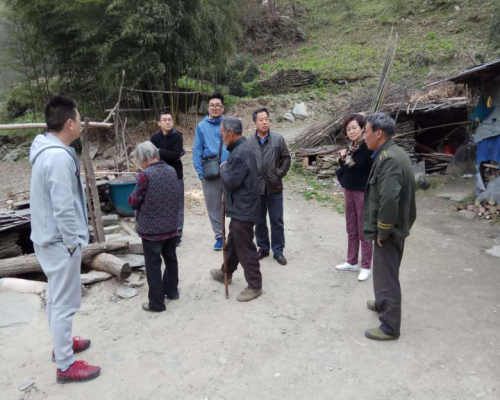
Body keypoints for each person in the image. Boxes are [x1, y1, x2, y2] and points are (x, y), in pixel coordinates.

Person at [29, 96, 100, 383]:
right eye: (79, 118)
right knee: (64, 302)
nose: (81, 123)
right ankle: (66, 365)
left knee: (56, 297)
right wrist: (72, 242)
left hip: (49, 237)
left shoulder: (47, 150)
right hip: (59, 241)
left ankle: (62, 346)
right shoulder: (57, 157)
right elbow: (63, 207)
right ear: (70, 123)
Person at [362, 112, 416, 341]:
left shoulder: (389, 159)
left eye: (365, 131)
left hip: (390, 230)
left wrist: (383, 230)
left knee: (387, 275)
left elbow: (389, 200)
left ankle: (390, 327)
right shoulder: (392, 152)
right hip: (395, 226)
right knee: (385, 270)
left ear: (378, 133)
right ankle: (382, 302)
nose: (364, 136)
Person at [209, 117, 263, 302]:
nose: (222, 137)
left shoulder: (240, 152)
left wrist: (223, 169)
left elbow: (231, 182)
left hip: (244, 208)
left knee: (245, 247)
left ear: (231, 133)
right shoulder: (241, 148)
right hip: (242, 206)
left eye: (222, 134)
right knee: (233, 241)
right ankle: (226, 271)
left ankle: (255, 285)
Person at [129, 141, 180, 312]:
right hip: (170, 226)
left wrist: (130, 198)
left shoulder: (145, 175)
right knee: (171, 259)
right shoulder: (171, 170)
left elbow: (134, 201)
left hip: (151, 231)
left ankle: (156, 303)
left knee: (153, 265)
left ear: (144, 159)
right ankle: (172, 291)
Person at [249, 108, 291, 265]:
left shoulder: (278, 139)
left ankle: (278, 251)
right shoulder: (249, 142)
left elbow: (286, 158)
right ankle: (263, 248)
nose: (264, 122)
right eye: (261, 120)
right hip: (257, 189)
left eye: (266, 119)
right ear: (255, 122)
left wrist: (279, 173)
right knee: (259, 221)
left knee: (277, 221)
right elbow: (245, 162)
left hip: (275, 187)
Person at [335, 114, 374, 282]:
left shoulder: (367, 147)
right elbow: (348, 167)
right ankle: (351, 261)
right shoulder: (351, 147)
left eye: (354, 128)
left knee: (363, 229)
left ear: (362, 128)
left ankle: (366, 266)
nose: (351, 131)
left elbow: (368, 169)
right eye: (348, 129)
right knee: (351, 227)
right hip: (349, 189)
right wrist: (342, 159)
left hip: (362, 191)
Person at [192, 93, 230, 251]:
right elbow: (197, 151)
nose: (215, 108)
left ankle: (235, 234)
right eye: (212, 105)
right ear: (208, 108)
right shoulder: (201, 126)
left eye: (217, 105)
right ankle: (219, 236)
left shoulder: (229, 124)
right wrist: (201, 174)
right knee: (213, 205)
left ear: (223, 107)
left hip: (230, 170)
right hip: (209, 171)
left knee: (234, 203)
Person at [150, 112, 185, 247]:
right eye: (164, 120)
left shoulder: (177, 136)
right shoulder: (154, 138)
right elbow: (152, 156)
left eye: (170, 119)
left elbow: (176, 155)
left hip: (176, 175)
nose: (168, 122)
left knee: (178, 205)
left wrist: (159, 152)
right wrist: (167, 154)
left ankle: (178, 234)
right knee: (162, 204)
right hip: (158, 175)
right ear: (159, 123)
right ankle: (165, 231)